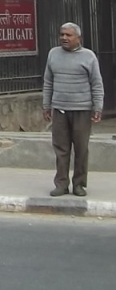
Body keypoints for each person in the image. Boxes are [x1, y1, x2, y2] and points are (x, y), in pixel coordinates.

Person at [42, 21, 104, 197]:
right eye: (62, 34)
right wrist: (46, 105)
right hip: (60, 109)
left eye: (68, 35)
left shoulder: (89, 57)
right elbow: (48, 82)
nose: (64, 38)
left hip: (82, 110)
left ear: (78, 38)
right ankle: (61, 184)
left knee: (81, 149)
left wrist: (97, 107)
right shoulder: (53, 54)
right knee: (61, 149)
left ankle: (79, 184)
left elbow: (96, 84)